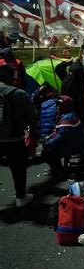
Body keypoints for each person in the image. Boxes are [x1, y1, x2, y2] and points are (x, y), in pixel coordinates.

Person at [0, 64, 36, 207]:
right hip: (14, 139)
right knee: (18, 169)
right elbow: (32, 118)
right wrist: (32, 131)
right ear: (10, 77)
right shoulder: (19, 94)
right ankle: (21, 196)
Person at [42, 96, 84, 177]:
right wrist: (49, 137)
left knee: (46, 152)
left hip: (73, 147)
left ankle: (58, 170)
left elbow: (61, 136)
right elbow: (58, 131)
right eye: (57, 105)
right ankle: (57, 168)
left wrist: (48, 142)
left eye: (60, 105)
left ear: (66, 106)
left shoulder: (67, 118)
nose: (58, 107)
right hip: (71, 142)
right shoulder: (67, 115)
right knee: (48, 144)